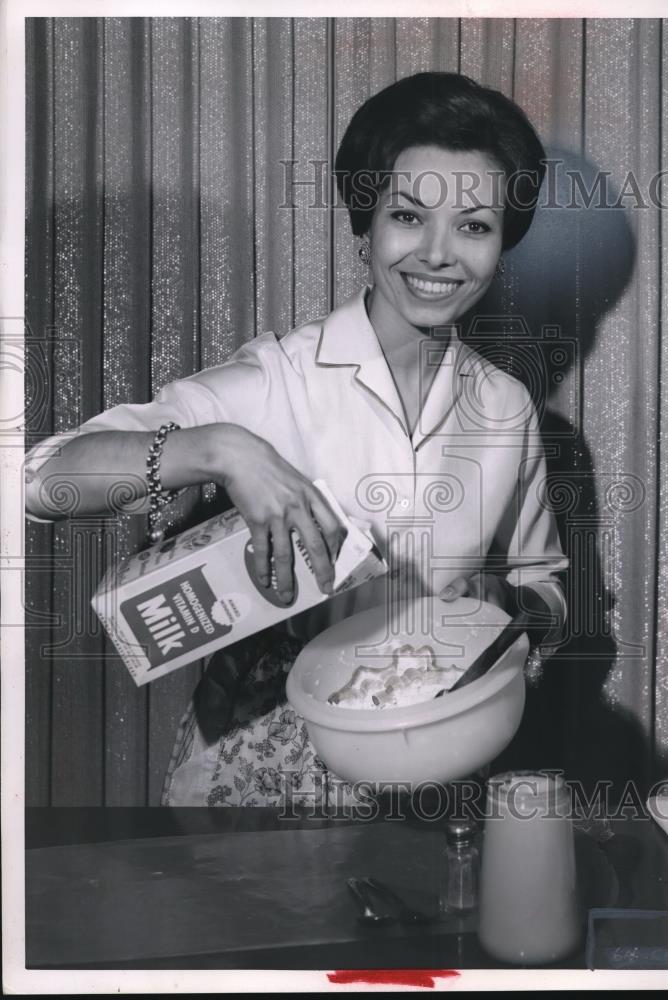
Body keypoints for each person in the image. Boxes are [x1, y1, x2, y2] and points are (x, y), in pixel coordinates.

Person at [24, 71, 568, 808]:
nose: (438, 254)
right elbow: (44, 481)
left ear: (502, 245)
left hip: (437, 767)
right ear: (363, 223)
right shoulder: (275, 378)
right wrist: (218, 448)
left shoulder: (504, 407)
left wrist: (507, 599)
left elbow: (545, 582)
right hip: (253, 779)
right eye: (408, 217)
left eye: (473, 226)